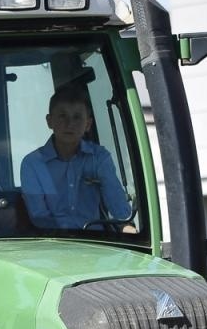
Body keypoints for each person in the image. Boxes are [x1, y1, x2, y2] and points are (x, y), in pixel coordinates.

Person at [19, 88, 134, 231]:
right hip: (52, 243)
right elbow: (40, 217)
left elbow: (118, 208)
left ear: (88, 124)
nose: (69, 124)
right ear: (50, 121)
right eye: (62, 116)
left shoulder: (99, 158)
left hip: (99, 243)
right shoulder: (33, 164)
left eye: (77, 117)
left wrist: (129, 229)